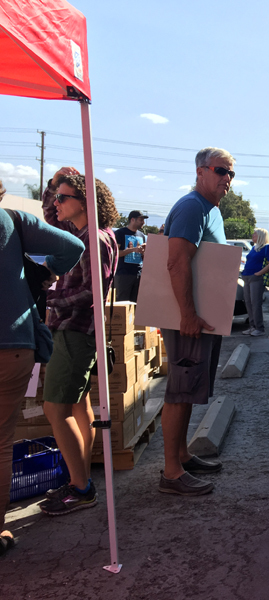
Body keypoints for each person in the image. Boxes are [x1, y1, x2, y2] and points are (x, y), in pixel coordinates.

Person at [0, 179, 84, 551]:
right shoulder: (13, 220)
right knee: (1, 442)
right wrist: (44, 274)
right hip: (12, 344)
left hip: (22, 343)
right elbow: (72, 247)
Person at [38, 168, 119, 515]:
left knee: (55, 408)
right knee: (76, 406)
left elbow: (91, 292)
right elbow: (49, 216)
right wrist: (54, 183)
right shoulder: (82, 232)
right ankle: (80, 477)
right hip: (78, 331)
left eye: (62, 197)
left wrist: (49, 299)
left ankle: (82, 488)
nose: (56, 202)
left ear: (85, 201)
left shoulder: (94, 239)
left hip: (75, 330)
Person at [158, 147, 233, 496]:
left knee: (187, 390)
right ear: (201, 171)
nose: (227, 178)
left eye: (230, 173)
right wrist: (187, 314)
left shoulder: (209, 209)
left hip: (199, 317)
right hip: (188, 318)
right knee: (180, 389)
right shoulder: (192, 207)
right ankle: (171, 473)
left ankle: (182, 456)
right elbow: (176, 262)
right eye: (220, 170)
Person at [240, 228, 269, 337]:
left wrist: (259, 273)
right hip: (247, 276)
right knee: (248, 302)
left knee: (255, 303)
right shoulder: (254, 247)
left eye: (254, 234)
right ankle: (252, 326)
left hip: (256, 278)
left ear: (260, 236)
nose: (252, 235)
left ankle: (259, 328)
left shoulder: (267, 247)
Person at [114, 210, 148, 301]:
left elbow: (143, 256)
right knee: (122, 302)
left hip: (138, 274)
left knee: (136, 304)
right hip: (123, 274)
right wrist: (132, 250)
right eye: (141, 220)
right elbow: (115, 253)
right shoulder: (120, 233)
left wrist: (144, 252)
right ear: (132, 219)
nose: (143, 223)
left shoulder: (142, 236)